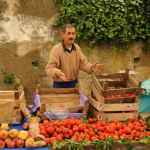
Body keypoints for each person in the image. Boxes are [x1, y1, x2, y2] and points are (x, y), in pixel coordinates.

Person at [45, 24, 104, 88]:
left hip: (74, 85)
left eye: (73, 33)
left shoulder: (77, 48)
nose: (71, 36)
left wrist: (91, 67)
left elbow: (83, 64)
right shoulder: (56, 50)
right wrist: (58, 73)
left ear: (75, 35)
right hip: (60, 85)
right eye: (69, 33)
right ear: (63, 35)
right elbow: (50, 68)